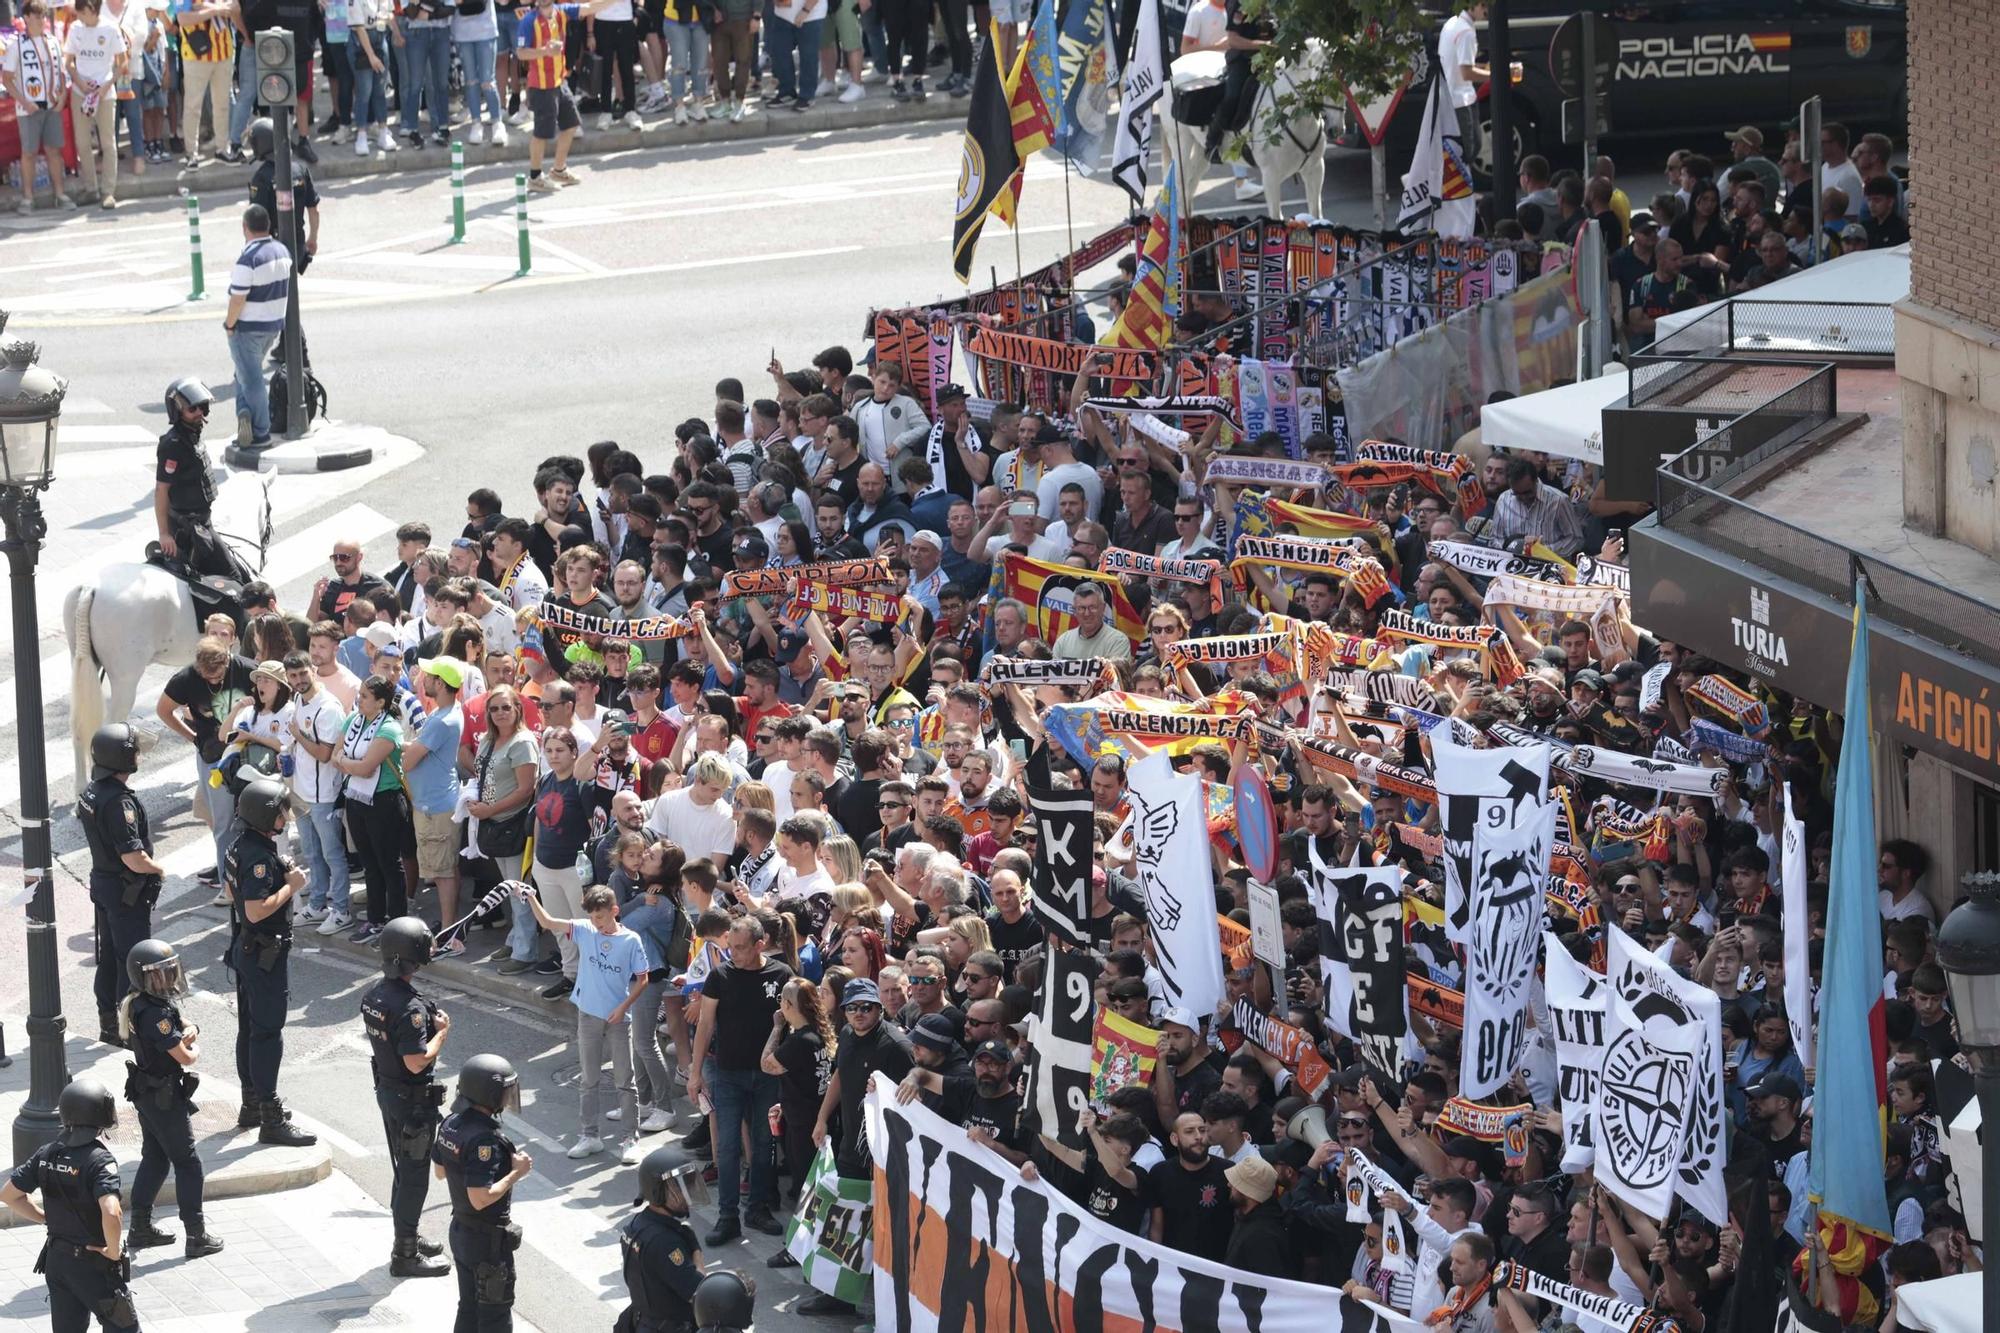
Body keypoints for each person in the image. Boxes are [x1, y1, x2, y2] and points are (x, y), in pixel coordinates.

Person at [516, 882, 653, 1164]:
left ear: (614, 911)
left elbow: (643, 979)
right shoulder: (585, 929)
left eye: (600, 917)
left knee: (624, 1081)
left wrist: (623, 1007)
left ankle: (630, 1139)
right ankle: (589, 1136)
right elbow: (548, 921)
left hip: (618, 1018)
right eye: (592, 917)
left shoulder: (631, 941)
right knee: (588, 1079)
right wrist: (530, 896)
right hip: (588, 1014)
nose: (596, 923)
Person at [687, 914, 793, 1244]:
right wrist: (694, 1073)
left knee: (764, 1145)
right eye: (730, 947)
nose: (734, 954)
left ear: (761, 945)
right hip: (728, 1074)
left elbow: (795, 1021)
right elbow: (705, 1025)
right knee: (729, 1147)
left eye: (742, 948)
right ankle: (727, 1215)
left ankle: (758, 1207)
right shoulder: (720, 976)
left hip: (767, 1077)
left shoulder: (781, 975)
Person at [225, 779, 319, 1147]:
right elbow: (255, 910)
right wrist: (290, 886)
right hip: (263, 953)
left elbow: (232, 890)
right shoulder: (260, 858)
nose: (287, 815)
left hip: (246, 950)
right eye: (281, 809)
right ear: (266, 815)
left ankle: (251, 1103)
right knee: (267, 1033)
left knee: (249, 1028)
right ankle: (270, 1115)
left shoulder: (240, 846)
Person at [360, 916, 454, 1279]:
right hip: (413, 1101)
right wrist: (442, 1033)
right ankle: (405, 1254)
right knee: (415, 1177)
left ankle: (409, 1235)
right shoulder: (411, 1008)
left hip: (389, 1092)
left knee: (404, 1170)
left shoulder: (375, 996)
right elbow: (416, 1062)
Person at [118, 939, 225, 1259]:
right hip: (164, 1097)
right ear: (144, 978)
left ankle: (139, 1228)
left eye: (169, 971)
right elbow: (186, 1056)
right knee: (189, 1163)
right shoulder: (155, 1014)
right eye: (159, 974)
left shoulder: (140, 1004)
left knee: (155, 1157)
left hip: (149, 1093)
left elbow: (184, 1024)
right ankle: (196, 1234)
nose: (167, 979)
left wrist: (187, 1031)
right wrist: (194, 1045)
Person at [1, 1078, 135, 1330]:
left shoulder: (47, 1153)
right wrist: (113, 1251)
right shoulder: (100, 1160)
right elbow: (111, 1211)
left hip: (58, 1261)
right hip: (93, 1265)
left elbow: (9, 1195)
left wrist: (45, 1218)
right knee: (125, 1329)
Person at [78, 723, 165, 1049]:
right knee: (133, 960)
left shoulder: (92, 792)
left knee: (111, 955)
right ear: (124, 758)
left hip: (104, 883)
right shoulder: (118, 803)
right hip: (126, 890)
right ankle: (128, 1030)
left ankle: (109, 1024)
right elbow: (133, 857)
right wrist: (158, 869)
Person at [433, 1054, 532, 1333]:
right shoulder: (484, 1139)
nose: (508, 1097)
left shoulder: (451, 1123)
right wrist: (517, 1173)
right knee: (494, 1316)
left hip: (461, 1231)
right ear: (490, 1094)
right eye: (504, 1091)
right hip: (487, 1241)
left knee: (469, 1307)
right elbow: (480, 1198)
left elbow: (440, 1173)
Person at [516, 0, 627, 191]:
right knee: (541, 133)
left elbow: (589, 8)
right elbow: (520, 53)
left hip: (560, 81)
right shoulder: (528, 21)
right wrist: (545, 51)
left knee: (571, 124)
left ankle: (558, 170)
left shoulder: (562, 12)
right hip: (541, 86)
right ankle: (535, 177)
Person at [154, 375, 256, 582]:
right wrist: (164, 534)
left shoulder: (192, 435)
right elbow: (161, 490)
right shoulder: (173, 445)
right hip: (189, 527)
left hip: (202, 520)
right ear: (177, 411)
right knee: (235, 579)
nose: (199, 412)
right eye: (192, 409)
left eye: (202, 406)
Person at [222, 204, 292, 450]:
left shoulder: (248, 259)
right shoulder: (282, 251)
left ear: (245, 228)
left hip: (247, 329)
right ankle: (245, 417)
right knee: (243, 372)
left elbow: (237, 299)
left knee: (250, 380)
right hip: (272, 326)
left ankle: (259, 432)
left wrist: (229, 325)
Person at [618, 1146, 707, 1332]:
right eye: (678, 1187)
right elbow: (700, 1293)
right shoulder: (665, 1242)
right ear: (657, 1191)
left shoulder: (638, 1224)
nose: (686, 1193)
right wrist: (696, 1251)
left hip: (644, 1321)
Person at [4, 0, 75, 213]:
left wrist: (61, 97)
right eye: (36, 16)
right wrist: (24, 102)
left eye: (43, 16)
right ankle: (28, 198)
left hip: (52, 105)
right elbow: (7, 78)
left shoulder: (52, 42)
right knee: (29, 153)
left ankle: (60, 194)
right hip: (28, 108)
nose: (41, 20)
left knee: (54, 150)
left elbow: (60, 72)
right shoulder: (16, 45)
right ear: (26, 18)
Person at [63, 0, 126, 209]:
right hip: (81, 93)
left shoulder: (110, 28)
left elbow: (122, 62)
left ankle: (108, 192)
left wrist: (107, 86)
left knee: (108, 143)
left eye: (81, 13)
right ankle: (91, 188)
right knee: (82, 143)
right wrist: (80, 82)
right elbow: (68, 61)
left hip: (105, 94)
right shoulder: (75, 28)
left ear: (91, 9)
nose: (78, 16)